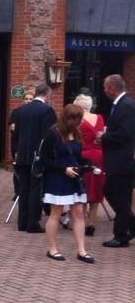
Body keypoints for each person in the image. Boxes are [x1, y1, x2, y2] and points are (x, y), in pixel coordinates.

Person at [38, 104, 94, 263]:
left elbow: (77, 155)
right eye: (78, 119)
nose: (80, 122)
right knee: (56, 212)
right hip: (58, 177)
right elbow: (45, 159)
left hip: (75, 177)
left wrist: (87, 164)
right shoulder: (53, 134)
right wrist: (63, 169)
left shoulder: (76, 133)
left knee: (78, 212)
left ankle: (82, 250)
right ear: (69, 118)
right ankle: (52, 248)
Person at [11, 83, 56, 232]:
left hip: (22, 154)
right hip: (38, 155)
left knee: (23, 189)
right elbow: (48, 136)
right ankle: (33, 223)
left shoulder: (20, 110)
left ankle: (22, 222)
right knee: (36, 189)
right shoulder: (47, 111)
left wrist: (17, 152)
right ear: (47, 95)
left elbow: (16, 135)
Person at [98, 74, 135, 247]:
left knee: (118, 195)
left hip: (122, 160)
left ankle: (121, 235)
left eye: (106, 87)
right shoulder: (121, 104)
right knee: (112, 192)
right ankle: (129, 225)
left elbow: (125, 133)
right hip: (117, 159)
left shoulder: (126, 105)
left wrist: (104, 136)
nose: (104, 91)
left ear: (112, 88)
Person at [74, 93, 105, 237]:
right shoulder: (99, 118)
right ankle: (91, 223)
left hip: (83, 155)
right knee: (96, 188)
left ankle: (81, 220)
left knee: (83, 188)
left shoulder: (77, 121)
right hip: (99, 156)